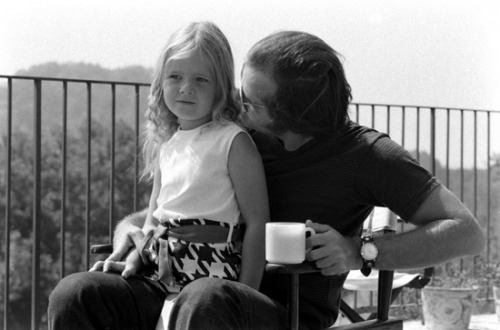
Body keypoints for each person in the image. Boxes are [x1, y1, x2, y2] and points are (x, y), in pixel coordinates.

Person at [49, 29, 486, 330]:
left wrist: (359, 251)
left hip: (284, 311)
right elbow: (183, 206)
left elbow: (465, 233)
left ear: (290, 120)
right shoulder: (241, 136)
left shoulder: (368, 156)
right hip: (186, 283)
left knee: (207, 299)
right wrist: (131, 230)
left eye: (251, 101)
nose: (236, 104)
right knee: (78, 293)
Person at [47, 21, 269, 330]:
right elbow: (153, 220)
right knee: (76, 293)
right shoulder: (169, 146)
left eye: (201, 79)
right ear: (160, 83)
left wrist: (245, 295)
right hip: (158, 274)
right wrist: (133, 258)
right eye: (175, 76)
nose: (185, 87)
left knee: (201, 299)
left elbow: (258, 222)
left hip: (212, 278)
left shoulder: (233, 141)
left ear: (220, 87)